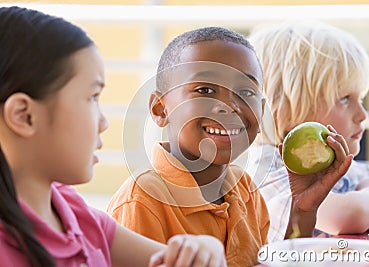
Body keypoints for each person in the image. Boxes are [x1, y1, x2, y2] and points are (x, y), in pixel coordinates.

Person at [0, 6, 227, 267]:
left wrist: (202, 248)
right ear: (24, 116)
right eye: (92, 97)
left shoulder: (72, 212)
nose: (104, 122)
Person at [107, 26, 353, 267]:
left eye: (246, 92)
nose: (229, 106)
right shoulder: (142, 203)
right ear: (160, 109)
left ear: (262, 112)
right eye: (205, 90)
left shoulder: (245, 190)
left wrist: (302, 209)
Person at [246, 21, 369, 242]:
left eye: (361, 98)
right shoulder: (267, 170)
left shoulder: (341, 165)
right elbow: (349, 215)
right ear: (288, 113)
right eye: (345, 99)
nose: (362, 115)